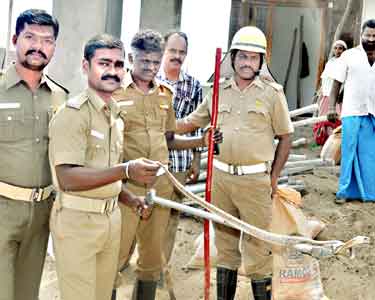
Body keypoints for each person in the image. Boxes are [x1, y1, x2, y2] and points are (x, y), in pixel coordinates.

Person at [176, 26, 293, 300]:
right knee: (226, 249)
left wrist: (273, 178)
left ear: (261, 62)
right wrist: (160, 124)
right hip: (221, 181)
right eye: (242, 56)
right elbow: (192, 122)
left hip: (255, 182)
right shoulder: (218, 91)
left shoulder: (272, 94)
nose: (246, 62)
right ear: (232, 57)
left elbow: (286, 138)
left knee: (258, 251)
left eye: (254, 58)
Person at [48, 34, 160, 300]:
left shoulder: (114, 116)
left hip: (111, 220)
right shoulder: (73, 114)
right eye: (104, 63)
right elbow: (67, 178)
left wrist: (129, 198)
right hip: (78, 223)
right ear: (86, 66)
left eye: (119, 65)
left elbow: (102, 172)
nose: (113, 71)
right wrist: (126, 170)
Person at [112, 29, 221, 300]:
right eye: (143, 60)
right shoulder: (114, 94)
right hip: (126, 188)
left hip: (159, 188)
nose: (149, 67)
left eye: (154, 61)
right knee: (117, 255)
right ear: (130, 58)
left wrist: (201, 142)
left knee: (151, 258)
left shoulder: (165, 95)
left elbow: (170, 139)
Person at [0, 9, 67, 300]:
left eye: (47, 40)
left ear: (54, 47)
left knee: (27, 293)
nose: (38, 46)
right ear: (15, 39)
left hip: (41, 214)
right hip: (1, 211)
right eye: (30, 37)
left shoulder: (61, 97)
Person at [156, 31, 204, 280]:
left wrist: (197, 158)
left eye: (181, 52)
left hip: (180, 163)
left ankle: (160, 270)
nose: (177, 56)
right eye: (172, 51)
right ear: (164, 50)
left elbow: (199, 125)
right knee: (146, 213)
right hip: (151, 161)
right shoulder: (150, 79)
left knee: (171, 218)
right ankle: (139, 265)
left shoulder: (193, 85)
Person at [327, 19, 375, 204]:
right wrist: (331, 107)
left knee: (368, 155)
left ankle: (369, 194)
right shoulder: (349, 56)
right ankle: (344, 191)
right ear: (361, 35)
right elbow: (336, 84)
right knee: (348, 151)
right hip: (351, 111)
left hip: (372, 113)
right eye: (367, 35)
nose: (370, 39)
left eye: (374, 36)